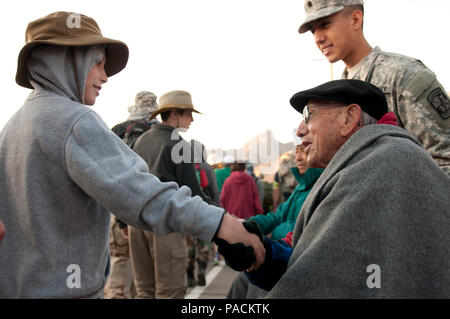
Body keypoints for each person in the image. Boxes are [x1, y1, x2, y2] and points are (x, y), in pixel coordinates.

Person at [0, 12, 264, 299]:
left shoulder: (14, 125)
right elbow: (143, 193)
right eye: (97, 63)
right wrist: (221, 224)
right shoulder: (73, 121)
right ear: (65, 62)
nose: (104, 76)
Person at [245, 79, 450, 298]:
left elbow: (325, 280)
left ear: (349, 118)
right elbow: (310, 253)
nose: (300, 130)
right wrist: (260, 253)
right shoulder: (369, 162)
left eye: (308, 114)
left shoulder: (381, 166)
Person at [298, 0, 450, 175]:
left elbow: (444, 161)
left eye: (325, 25)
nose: (318, 38)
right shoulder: (338, 91)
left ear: (355, 19)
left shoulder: (404, 75)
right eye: (313, 30)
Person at [127, 90, 216, 298]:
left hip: (137, 225)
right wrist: (223, 216)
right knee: (170, 292)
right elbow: (194, 193)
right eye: (188, 114)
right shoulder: (179, 145)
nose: (192, 119)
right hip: (164, 225)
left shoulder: (141, 141)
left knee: (144, 291)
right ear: (174, 114)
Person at [227, 140, 323, 299]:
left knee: (254, 287)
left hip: (293, 262)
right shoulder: (301, 186)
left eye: (304, 150)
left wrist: (269, 239)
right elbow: (277, 216)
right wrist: (244, 224)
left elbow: (300, 232)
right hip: (280, 253)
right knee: (241, 281)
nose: (298, 158)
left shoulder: (320, 187)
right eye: (297, 151)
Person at [104, 91, 158, 299]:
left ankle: (114, 295)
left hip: (113, 205)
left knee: (118, 258)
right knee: (143, 266)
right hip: (142, 208)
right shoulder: (154, 133)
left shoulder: (116, 130)